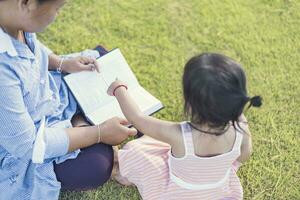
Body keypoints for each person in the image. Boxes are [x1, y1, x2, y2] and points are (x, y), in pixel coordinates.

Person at [0, 0, 137, 199]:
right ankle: (85, 123)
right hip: (23, 145)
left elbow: (31, 46)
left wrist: (62, 63)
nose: (58, 14)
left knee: (102, 61)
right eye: (57, 8)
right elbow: (27, 146)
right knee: (96, 166)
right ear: (26, 3)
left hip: (45, 99)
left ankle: (82, 122)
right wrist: (99, 133)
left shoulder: (12, 16)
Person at [108, 53, 262, 199]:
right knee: (153, 144)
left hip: (177, 194)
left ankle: (119, 172)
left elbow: (137, 118)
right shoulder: (241, 128)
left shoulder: (180, 135)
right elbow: (244, 156)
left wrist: (118, 89)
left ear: (191, 104)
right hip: (216, 192)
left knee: (136, 151)